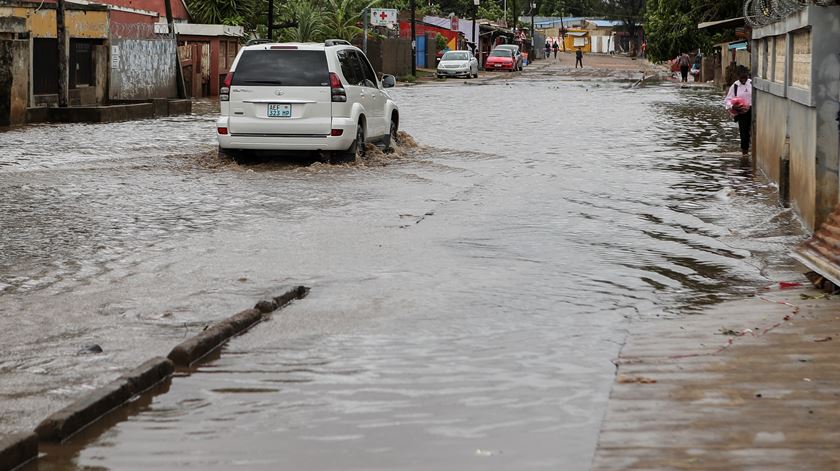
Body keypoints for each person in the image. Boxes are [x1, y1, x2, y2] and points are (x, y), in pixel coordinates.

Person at [724, 66, 753, 157]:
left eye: (745, 77)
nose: (743, 80)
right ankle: (745, 153)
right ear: (738, 77)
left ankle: (753, 151)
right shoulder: (735, 86)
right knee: (744, 134)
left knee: (753, 132)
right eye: (741, 78)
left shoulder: (752, 84)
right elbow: (727, 100)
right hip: (741, 112)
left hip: (753, 111)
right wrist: (733, 106)